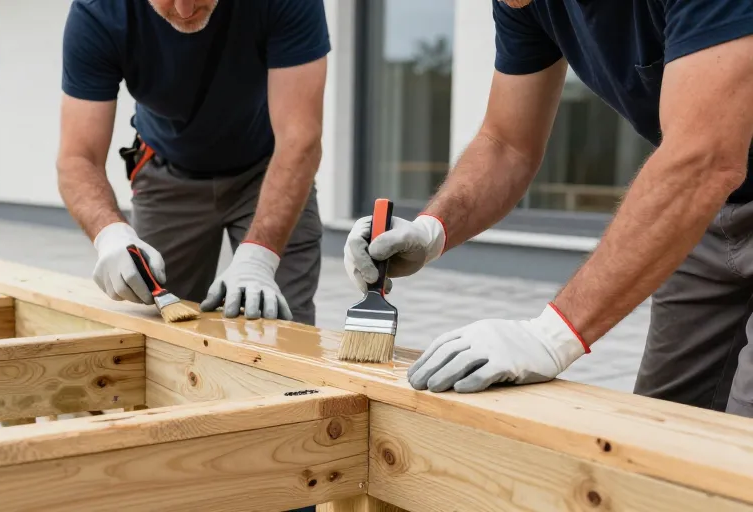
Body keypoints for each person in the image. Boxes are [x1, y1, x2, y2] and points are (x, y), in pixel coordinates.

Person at [344, 0, 753, 417]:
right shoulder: (523, 3)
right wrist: (431, 229)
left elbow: (703, 159)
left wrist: (551, 336)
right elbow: (507, 144)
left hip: (704, 179)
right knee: (663, 427)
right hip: (708, 213)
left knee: (742, 446)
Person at [56, 0, 330, 328]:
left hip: (271, 169)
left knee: (281, 331)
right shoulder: (99, 12)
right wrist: (111, 235)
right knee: (158, 329)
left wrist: (260, 255)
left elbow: (300, 140)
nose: (184, 11)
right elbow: (77, 156)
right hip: (166, 172)